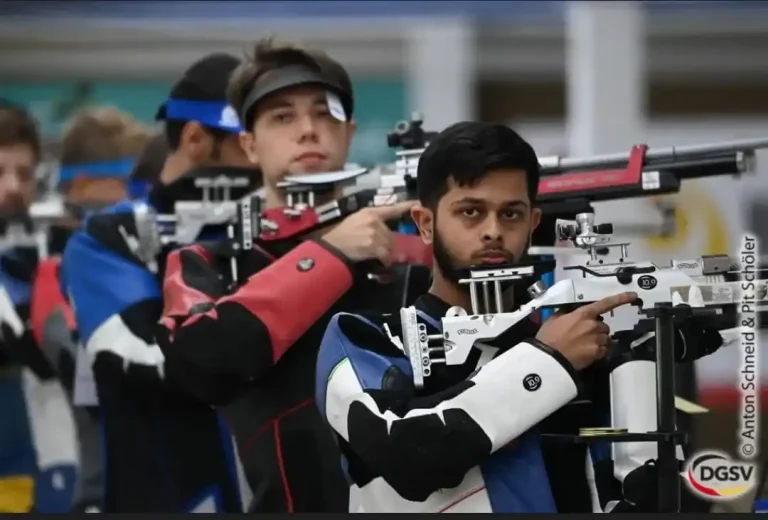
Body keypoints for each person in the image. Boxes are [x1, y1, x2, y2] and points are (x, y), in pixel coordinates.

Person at [314, 121, 724, 513]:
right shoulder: (364, 338)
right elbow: (408, 458)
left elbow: (637, 496)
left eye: (511, 214)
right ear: (425, 224)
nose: (493, 231)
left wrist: (640, 366)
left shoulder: (578, 350)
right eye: (471, 212)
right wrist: (549, 359)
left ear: (533, 223)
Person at [156, 38, 432, 513]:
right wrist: (331, 253)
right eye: (282, 116)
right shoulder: (209, 262)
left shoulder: (414, 248)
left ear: (350, 132)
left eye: (324, 114)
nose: (307, 130)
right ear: (248, 144)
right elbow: (201, 364)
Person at [58, 53, 257, 513]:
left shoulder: (275, 228)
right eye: (247, 142)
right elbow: (149, 359)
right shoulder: (107, 239)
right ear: (195, 139)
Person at [28, 107, 157, 512]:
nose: (141, 200)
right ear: (81, 188)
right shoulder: (48, 266)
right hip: (90, 488)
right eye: (128, 185)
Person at [0, 100, 79, 513]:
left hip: (47, 473)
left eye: (24, 174)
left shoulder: (56, 259)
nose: (13, 187)